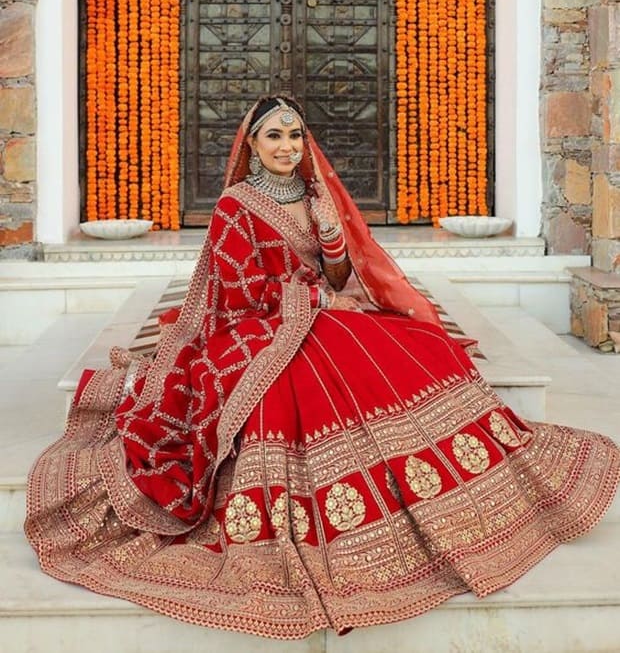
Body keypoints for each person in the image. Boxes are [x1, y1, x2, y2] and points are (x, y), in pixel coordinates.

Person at [26, 95, 620, 639]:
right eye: (273, 137)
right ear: (252, 146)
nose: (287, 147)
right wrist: (305, 299)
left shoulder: (314, 199)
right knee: (309, 376)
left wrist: (333, 247)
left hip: (314, 311)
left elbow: (338, 276)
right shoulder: (236, 206)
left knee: (423, 347)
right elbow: (235, 293)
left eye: (295, 136)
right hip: (258, 327)